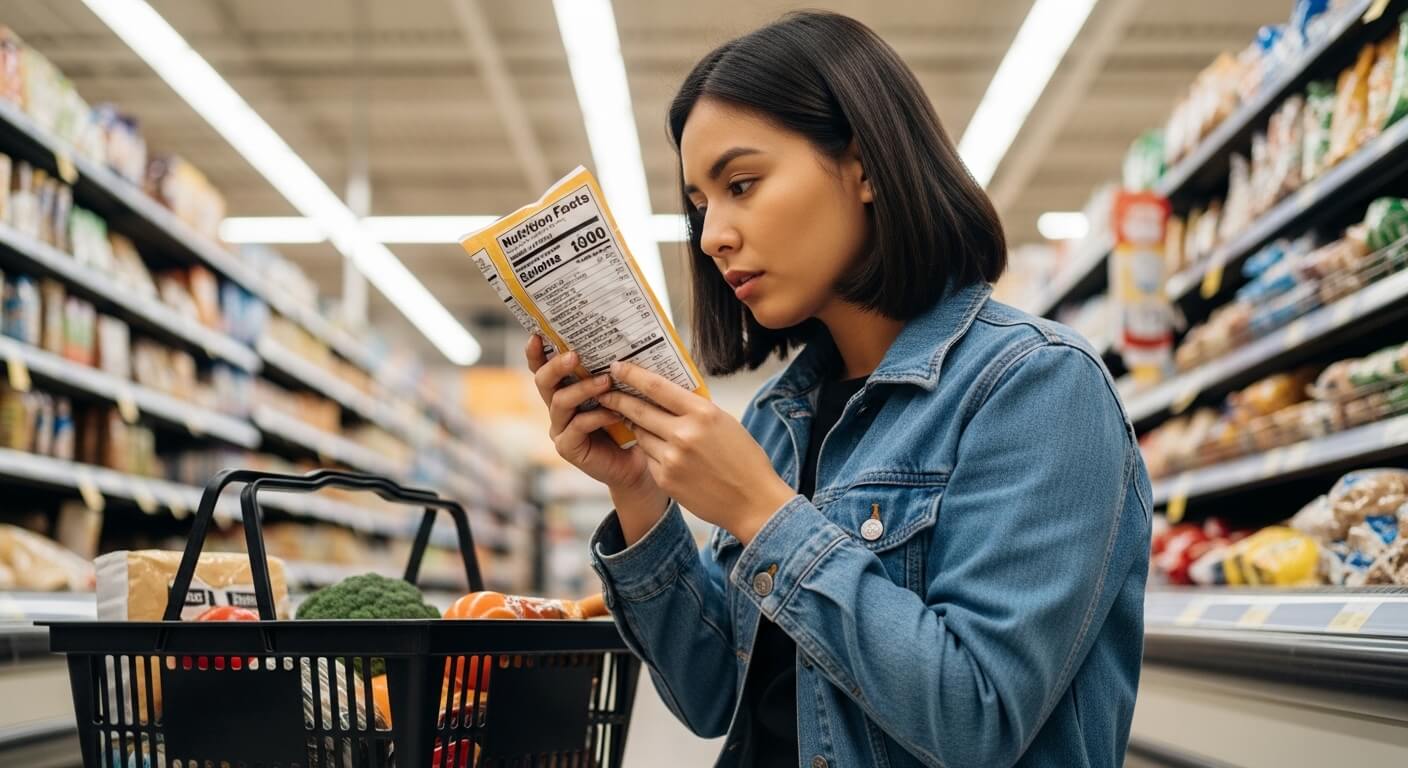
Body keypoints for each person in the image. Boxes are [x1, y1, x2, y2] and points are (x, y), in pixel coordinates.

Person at [526, 10, 1150, 768]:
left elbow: (976, 720)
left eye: (743, 184)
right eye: (700, 205)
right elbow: (713, 697)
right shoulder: (778, 416)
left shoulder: (1036, 387)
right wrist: (638, 493)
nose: (714, 233)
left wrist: (763, 511)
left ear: (865, 167)